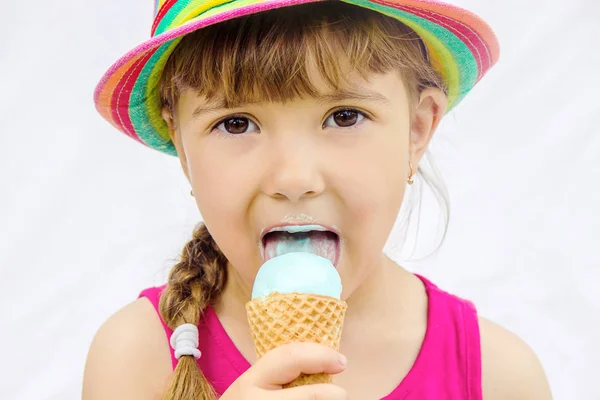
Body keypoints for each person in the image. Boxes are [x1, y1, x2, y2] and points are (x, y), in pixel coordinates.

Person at [84, 1, 552, 399]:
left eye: (345, 116)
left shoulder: (498, 376)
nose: (294, 178)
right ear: (182, 147)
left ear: (416, 129)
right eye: (236, 123)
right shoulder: (135, 359)